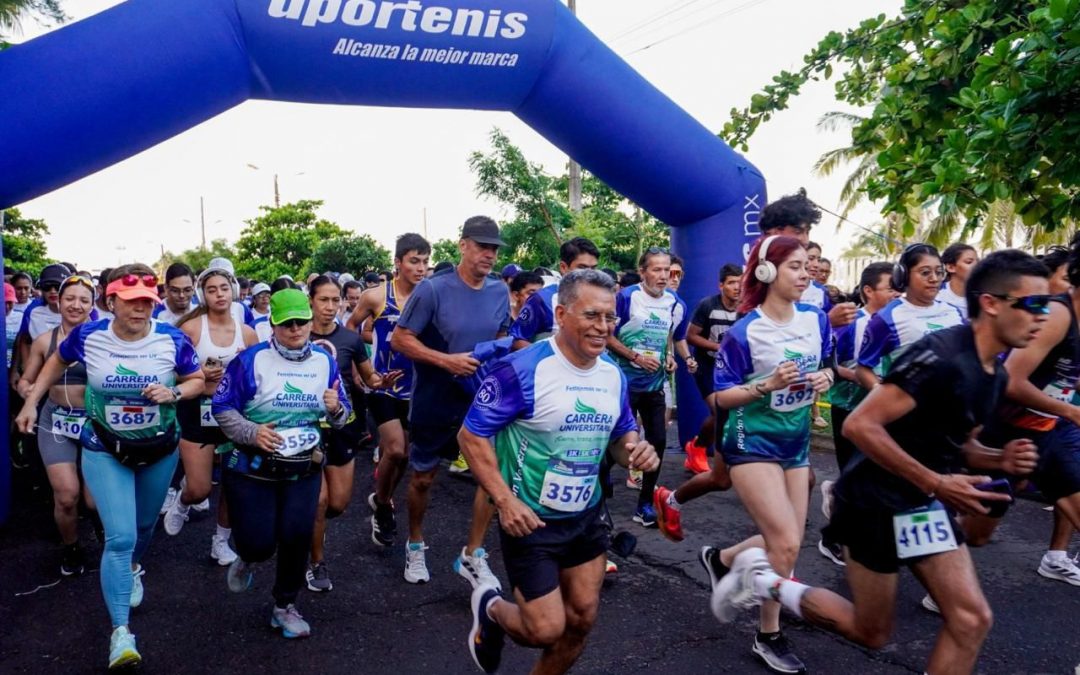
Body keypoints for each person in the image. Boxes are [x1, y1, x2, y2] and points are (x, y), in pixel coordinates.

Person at [709, 250, 1049, 675]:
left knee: (971, 619)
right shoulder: (941, 356)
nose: (1043, 316)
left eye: (1048, 305)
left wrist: (1001, 458)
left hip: (921, 504)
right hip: (874, 505)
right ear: (991, 303)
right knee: (870, 632)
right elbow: (861, 426)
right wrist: (938, 483)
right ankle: (763, 581)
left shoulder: (995, 375)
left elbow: (958, 446)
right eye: (1033, 304)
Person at [458, 270, 660, 675]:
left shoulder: (612, 374)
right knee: (545, 629)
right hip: (531, 520)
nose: (603, 327)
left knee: (581, 620)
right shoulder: (521, 369)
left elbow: (621, 437)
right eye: (591, 316)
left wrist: (637, 451)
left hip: (585, 516)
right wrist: (505, 501)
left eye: (609, 317)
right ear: (562, 314)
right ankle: (492, 607)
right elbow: (471, 436)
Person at [15, 264, 205, 670]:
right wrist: (31, 402)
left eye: (147, 302)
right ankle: (121, 633)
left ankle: (133, 568)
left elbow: (197, 380)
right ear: (111, 301)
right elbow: (55, 361)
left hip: (158, 447)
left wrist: (173, 392)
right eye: (132, 301)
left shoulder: (171, 338)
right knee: (120, 537)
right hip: (104, 446)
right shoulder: (89, 335)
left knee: (144, 527)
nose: (141, 309)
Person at [669, 236, 832, 674]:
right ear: (766, 271)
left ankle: (722, 559)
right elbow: (721, 398)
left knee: (789, 545)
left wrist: (826, 378)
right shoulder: (746, 331)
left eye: (808, 266)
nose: (806, 274)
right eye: (796, 266)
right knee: (784, 542)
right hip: (750, 440)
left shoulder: (816, 319)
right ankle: (768, 634)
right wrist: (767, 385)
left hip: (795, 441)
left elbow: (829, 364)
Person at [212, 288, 351, 639]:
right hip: (252, 467)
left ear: (310, 322)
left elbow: (343, 415)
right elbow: (222, 407)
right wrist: (252, 432)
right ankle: (247, 556)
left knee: (296, 535)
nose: (295, 329)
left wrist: (336, 408)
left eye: (301, 322)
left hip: (302, 467)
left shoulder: (324, 361)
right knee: (258, 543)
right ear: (272, 324)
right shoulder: (251, 360)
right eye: (287, 323)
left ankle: (284, 605)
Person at [391, 217, 510, 586]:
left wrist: (498, 361)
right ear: (463, 245)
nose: (489, 254)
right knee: (423, 478)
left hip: (479, 399)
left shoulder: (499, 291)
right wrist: (447, 361)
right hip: (435, 397)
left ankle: (473, 553)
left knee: (491, 477)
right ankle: (414, 543)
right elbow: (400, 339)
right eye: (482, 246)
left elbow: (502, 335)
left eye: (494, 248)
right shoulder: (433, 289)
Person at [305, 275, 398, 591]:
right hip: (307, 428)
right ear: (310, 301)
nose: (330, 306)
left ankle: (314, 528)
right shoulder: (297, 335)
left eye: (336, 300)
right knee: (318, 502)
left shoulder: (350, 339)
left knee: (337, 504)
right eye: (323, 299)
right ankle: (316, 562)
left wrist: (381, 382)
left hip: (342, 426)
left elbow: (369, 377)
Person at [162, 261, 257, 566]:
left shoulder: (247, 333)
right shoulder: (191, 329)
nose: (219, 295)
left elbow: (257, 376)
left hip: (234, 412)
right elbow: (170, 373)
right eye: (212, 290)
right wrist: (198, 374)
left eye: (224, 288)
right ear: (203, 295)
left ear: (234, 291)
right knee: (200, 488)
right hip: (196, 410)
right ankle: (183, 500)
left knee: (233, 484)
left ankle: (220, 541)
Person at [349, 233, 430, 547]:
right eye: (414, 261)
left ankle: (381, 498)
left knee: (403, 457)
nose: (420, 268)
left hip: (416, 388)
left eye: (425, 262)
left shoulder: (430, 295)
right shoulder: (376, 296)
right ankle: (383, 506)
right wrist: (358, 368)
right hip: (381, 384)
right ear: (398, 262)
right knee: (395, 449)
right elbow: (351, 328)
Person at [15, 274, 98, 576]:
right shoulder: (44, 341)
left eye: (84, 300)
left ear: (92, 305)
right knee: (66, 496)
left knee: (94, 500)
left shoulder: (102, 340)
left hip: (94, 423)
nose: (76, 305)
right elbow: (25, 379)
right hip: (56, 421)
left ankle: (108, 538)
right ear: (59, 301)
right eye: (70, 298)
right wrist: (27, 392)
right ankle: (71, 548)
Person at [817, 262, 898, 565]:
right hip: (849, 408)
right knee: (856, 478)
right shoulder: (852, 323)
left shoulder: (899, 321)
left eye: (898, 287)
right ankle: (832, 538)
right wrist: (864, 379)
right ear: (868, 291)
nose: (896, 293)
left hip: (884, 410)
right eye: (890, 287)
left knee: (876, 476)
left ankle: (859, 519)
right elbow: (831, 364)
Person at [606, 246, 688, 526]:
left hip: (654, 385)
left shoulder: (675, 303)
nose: (664, 276)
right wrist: (635, 357)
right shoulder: (626, 297)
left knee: (658, 442)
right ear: (642, 272)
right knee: (614, 442)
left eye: (668, 270)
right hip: (623, 384)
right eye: (657, 270)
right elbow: (607, 336)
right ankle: (599, 485)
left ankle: (644, 504)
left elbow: (669, 338)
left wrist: (670, 358)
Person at [855, 244, 966, 391]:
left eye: (939, 272)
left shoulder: (954, 312)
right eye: (925, 273)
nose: (934, 279)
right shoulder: (887, 317)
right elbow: (863, 369)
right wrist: (884, 395)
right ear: (904, 275)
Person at [758, 190, 857, 329]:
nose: (805, 240)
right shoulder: (752, 291)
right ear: (773, 233)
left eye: (807, 232)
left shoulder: (819, 292)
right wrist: (827, 321)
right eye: (798, 231)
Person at [681, 263, 741, 475]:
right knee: (720, 410)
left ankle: (697, 446)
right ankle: (701, 451)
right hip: (707, 366)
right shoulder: (708, 305)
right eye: (732, 283)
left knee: (728, 413)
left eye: (740, 282)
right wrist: (718, 347)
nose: (737, 287)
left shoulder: (746, 309)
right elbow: (691, 336)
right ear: (721, 285)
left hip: (732, 369)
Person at [509, 237, 601, 350]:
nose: (590, 275)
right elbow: (517, 339)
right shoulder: (542, 299)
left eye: (593, 268)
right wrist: (546, 357)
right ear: (563, 267)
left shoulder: (601, 300)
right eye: (582, 268)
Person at [938, 243, 979, 315]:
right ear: (951, 267)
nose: (977, 265)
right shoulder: (935, 294)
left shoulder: (984, 296)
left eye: (978, 261)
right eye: (969, 262)